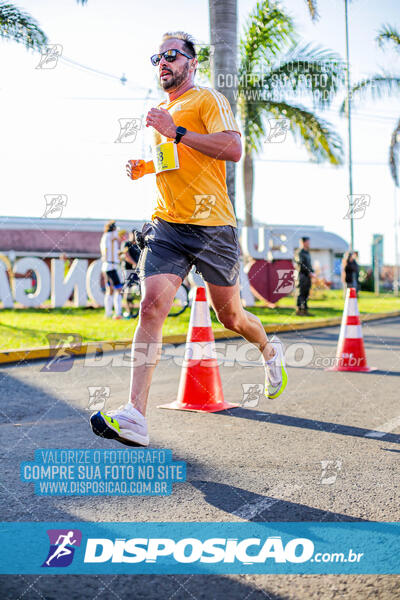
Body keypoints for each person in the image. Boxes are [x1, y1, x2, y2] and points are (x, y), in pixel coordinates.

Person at [90, 31, 288, 447]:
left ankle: (269, 351)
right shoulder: (165, 110)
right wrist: (146, 166)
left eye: (171, 55)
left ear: (192, 63)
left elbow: (233, 149)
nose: (162, 62)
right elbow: (174, 160)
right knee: (150, 306)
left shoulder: (207, 100)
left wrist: (174, 130)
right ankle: (135, 417)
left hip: (213, 226)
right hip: (168, 225)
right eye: (157, 57)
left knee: (230, 318)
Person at [100, 220, 123, 319]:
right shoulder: (111, 235)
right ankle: (118, 313)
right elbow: (121, 234)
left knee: (109, 290)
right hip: (112, 266)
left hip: (106, 266)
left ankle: (108, 313)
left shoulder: (105, 237)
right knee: (118, 289)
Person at [119, 229, 142, 318]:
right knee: (127, 291)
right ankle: (128, 311)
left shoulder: (138, 245)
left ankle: (138, 312)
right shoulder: (126, 244)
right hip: (128, 270)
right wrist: (134, 264)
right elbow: (126, 256)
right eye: (133, 235)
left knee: (139, 290)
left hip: (137, 271)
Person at [295, 237, 316, 316]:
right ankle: (299, 310)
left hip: (307, 276)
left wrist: (312, 272)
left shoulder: (307, 252)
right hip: (302, 276)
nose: (309, 244)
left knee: (306, 293)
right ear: (303, 242)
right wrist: (308, 272)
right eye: (307, 242)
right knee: (300, 293)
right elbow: (301, 264)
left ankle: (305, 310)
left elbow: (309, 265)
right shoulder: (299, 252)